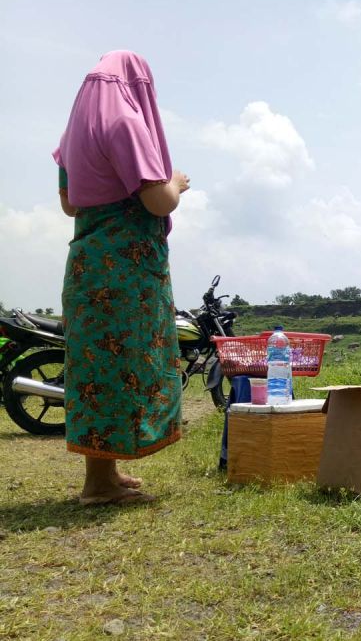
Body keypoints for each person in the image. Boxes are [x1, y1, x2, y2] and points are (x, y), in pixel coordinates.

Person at [55, 51, 189, 505]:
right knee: (123, 368)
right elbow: (158, 202)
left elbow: (70, 204)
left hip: (87, 266)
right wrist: (176, 180)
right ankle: (98, 485)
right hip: (126, 272)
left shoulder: (74, 133)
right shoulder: (126, 126)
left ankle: (103, 476)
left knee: (96, 372)